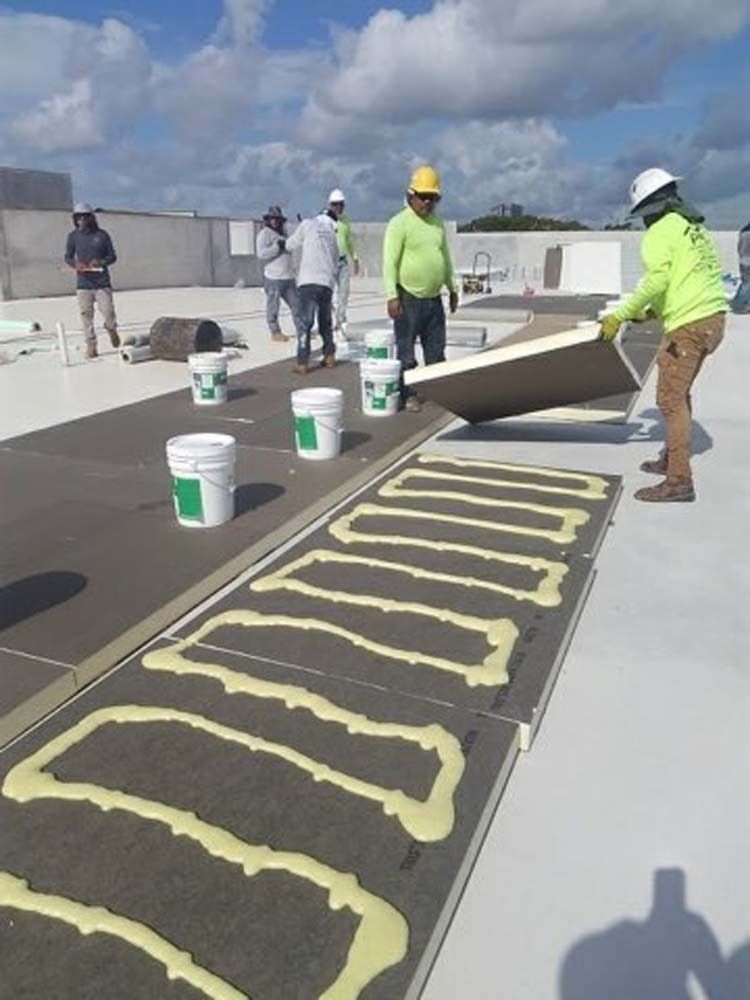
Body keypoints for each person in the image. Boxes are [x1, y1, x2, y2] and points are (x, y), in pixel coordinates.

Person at [599, 168, 726, 503]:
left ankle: (679, 480)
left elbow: (656, 280)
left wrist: (620, 315)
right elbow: (687, 276)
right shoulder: (693, 227)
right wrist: (653, 312)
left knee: (668, 400)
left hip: (690, 325)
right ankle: (672, 459)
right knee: (679, 393)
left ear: (649, 208)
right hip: (712, 319)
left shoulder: (659, 233)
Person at [383, 165, 458, 413]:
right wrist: (392, 296)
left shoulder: (437, 224)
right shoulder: (399, 223)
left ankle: (436, 391)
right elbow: (389, 262)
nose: (427, 202)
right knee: (406, 353)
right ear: (411, 195)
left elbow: (445, 258)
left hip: (434, 299)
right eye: (423, 196)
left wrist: (453, 287)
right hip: (408, 298)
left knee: (436, 350)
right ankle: (409, 395)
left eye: (432, 198)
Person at [285, 204, 339, 374]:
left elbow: (290, 244)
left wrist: (282, 243)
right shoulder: (332, 234)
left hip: (308, 282)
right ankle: (329, 355)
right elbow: (335, 259)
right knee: (325, 323)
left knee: (304, 324)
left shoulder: (307, 224)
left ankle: (302, 362)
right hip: (326, 283)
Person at [64, 202, 120, 360]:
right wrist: (76, 265)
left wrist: (101, 262)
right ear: (75, 219)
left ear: (91, 218)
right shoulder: (73, 237)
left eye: (84, 216)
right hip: (83, 283)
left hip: (101, 282)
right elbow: (67, 257)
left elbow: (112, 256)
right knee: (86, 315)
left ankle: (111, 329)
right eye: (78, 217)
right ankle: (91, 345)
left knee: (108, 311)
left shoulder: (102, 235)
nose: (81, 220)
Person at [255, 206, 301, 343]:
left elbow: (295, 241)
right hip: (273, 278)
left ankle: (302, 329)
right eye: (272, 219)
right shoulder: (264, 234)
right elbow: (261, 254)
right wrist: (277, 247)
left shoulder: (284, 232)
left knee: (297, 305)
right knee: (273, 306)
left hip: (288, 277)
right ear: (268, 220)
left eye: (277, 219)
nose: (274, 221)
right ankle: (275, 332)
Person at [327, 188, 359, 334]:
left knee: (344, 292)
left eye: (341, 204)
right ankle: (332, 320)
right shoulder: (325, 221)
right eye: (335, 204)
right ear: (330, 205)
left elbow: (349, 241)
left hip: (343, 261)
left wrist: (355, 258)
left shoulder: (345, 221)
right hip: (329, 262)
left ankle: (340, 319)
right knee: (329, 294)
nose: (338, 207)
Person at [730, 219, 750, 314]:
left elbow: (739, 248)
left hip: (744, 261)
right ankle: (739, 306)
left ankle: (740, 305)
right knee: (746, 285)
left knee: (745, 284)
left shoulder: (743, 232)